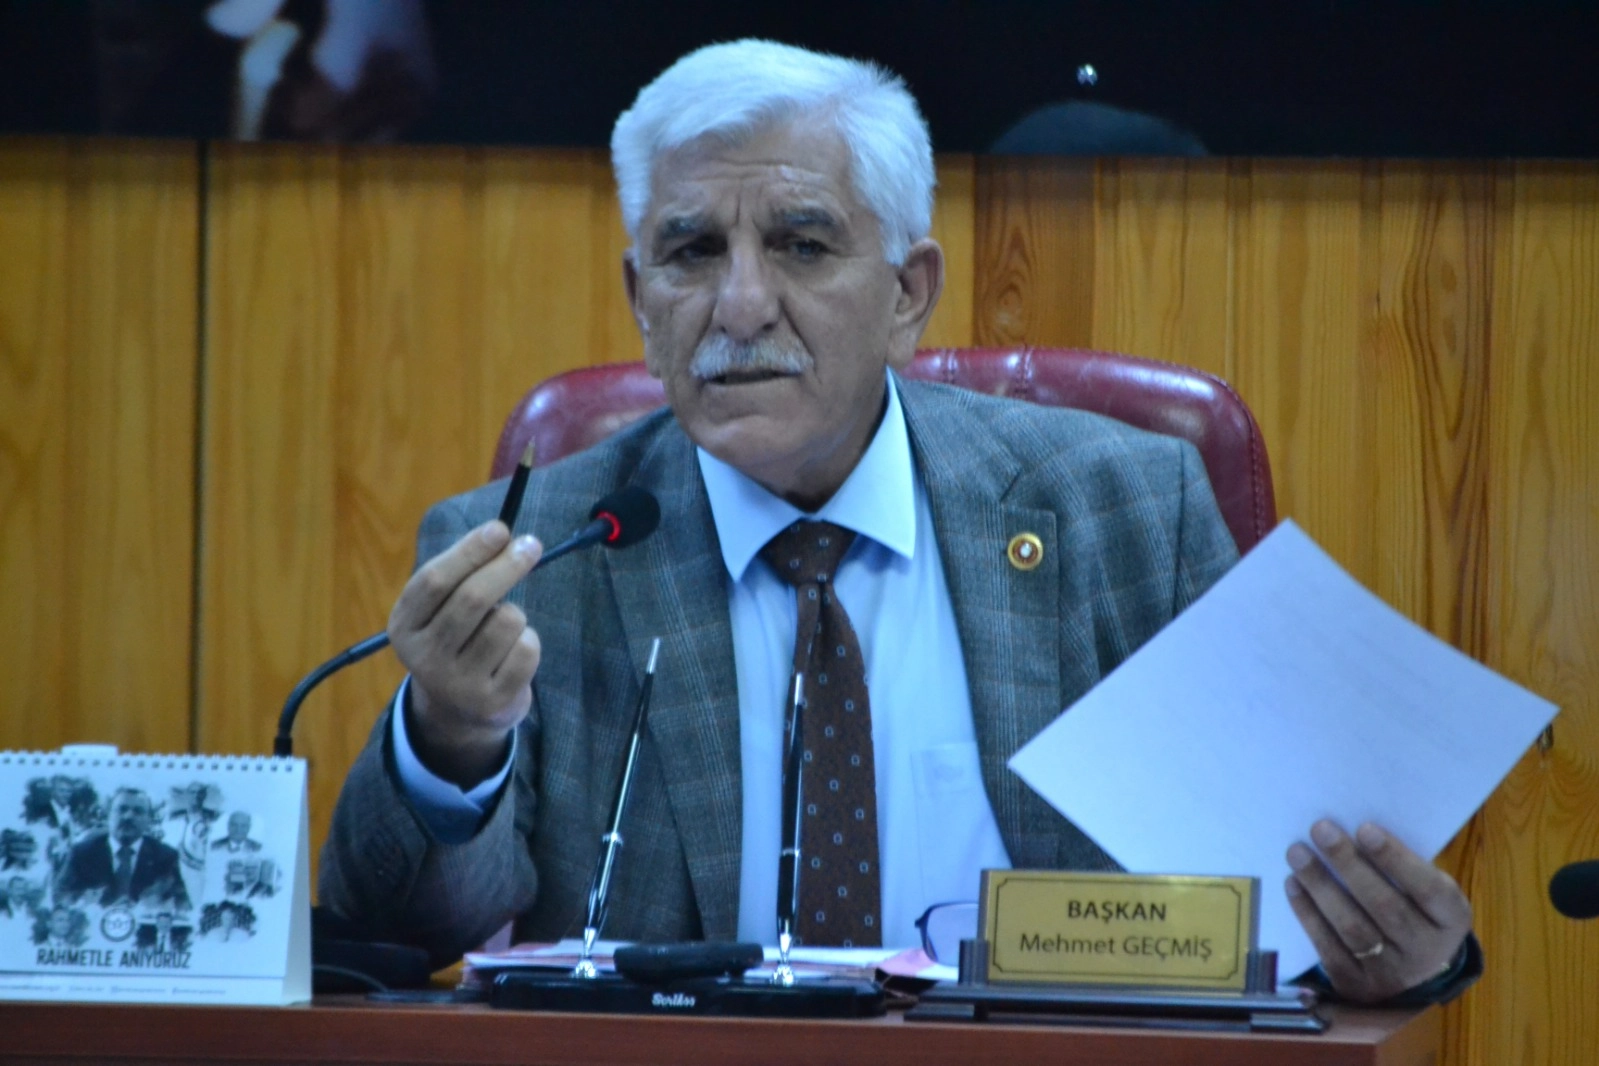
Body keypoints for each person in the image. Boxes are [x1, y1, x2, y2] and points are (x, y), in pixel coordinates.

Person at [320, 39, 1476, 1004]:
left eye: (801, 243)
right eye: (691, 252)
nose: (739, 305)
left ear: (908, 293)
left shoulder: (1125, 508)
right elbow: (399, 933)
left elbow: (1281, 894)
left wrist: (1394, 948)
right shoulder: (542, 550)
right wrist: (453, 736)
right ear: (641, 300)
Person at [56, 787, 190, 910]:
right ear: (108, 815)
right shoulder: (81, 853)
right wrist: (83, 900)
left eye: (138, 811)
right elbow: (59, 897)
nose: (128, 817)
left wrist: (160, 905)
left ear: (149, 820)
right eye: (122, 809)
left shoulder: (166, 857)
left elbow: (183, 903)